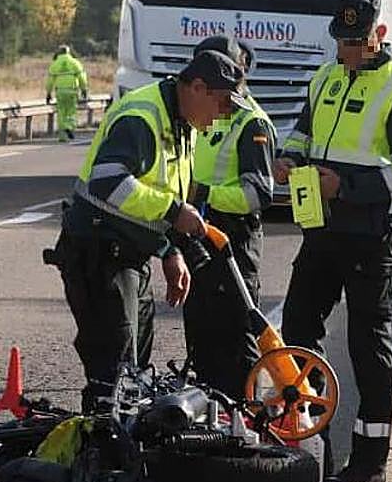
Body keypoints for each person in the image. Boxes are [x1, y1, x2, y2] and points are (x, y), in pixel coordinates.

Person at [274, 0, 392, 482]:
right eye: (341, 40)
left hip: (370, 238)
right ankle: (311, 440)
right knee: (297, 329)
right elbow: (302, 135)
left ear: (378, 34)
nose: (347, 50)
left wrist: (345, 186)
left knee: (367, 346)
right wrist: (289, 159)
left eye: (356, 41)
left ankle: (369, 464)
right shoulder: (324, 79)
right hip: (321, 231)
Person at [51, 49, 251, 414]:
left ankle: (120, 437)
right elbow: (108, 183)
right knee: (113, 372)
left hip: (130, 253)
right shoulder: (142, 117)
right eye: (222, 103)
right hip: (99, 252)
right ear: (198, 88)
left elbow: (162, 191)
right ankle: (97, 442)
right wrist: (173, 213)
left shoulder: (184, 122)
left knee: (135, 370)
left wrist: (169, 250)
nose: (223, 114)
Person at [182, 36, 276, 399]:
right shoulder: (197, 113)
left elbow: (258, 194)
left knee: (237, 343)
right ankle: (209, 419)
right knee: (201, 340)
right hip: (199, 239)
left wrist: (203, 193)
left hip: (233, 244)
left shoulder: (252, 123)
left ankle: (246, 420)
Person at [46, 45, 89, 142]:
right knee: (71, 111)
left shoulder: (55, 64)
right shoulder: (74, 62)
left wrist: (48, 93)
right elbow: (82, 78)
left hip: (60, 91)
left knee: (61, 112)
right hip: (72, 90)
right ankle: (69, 127)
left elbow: (50, 81)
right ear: (68, 52)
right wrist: (84, 89)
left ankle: (62, 136)